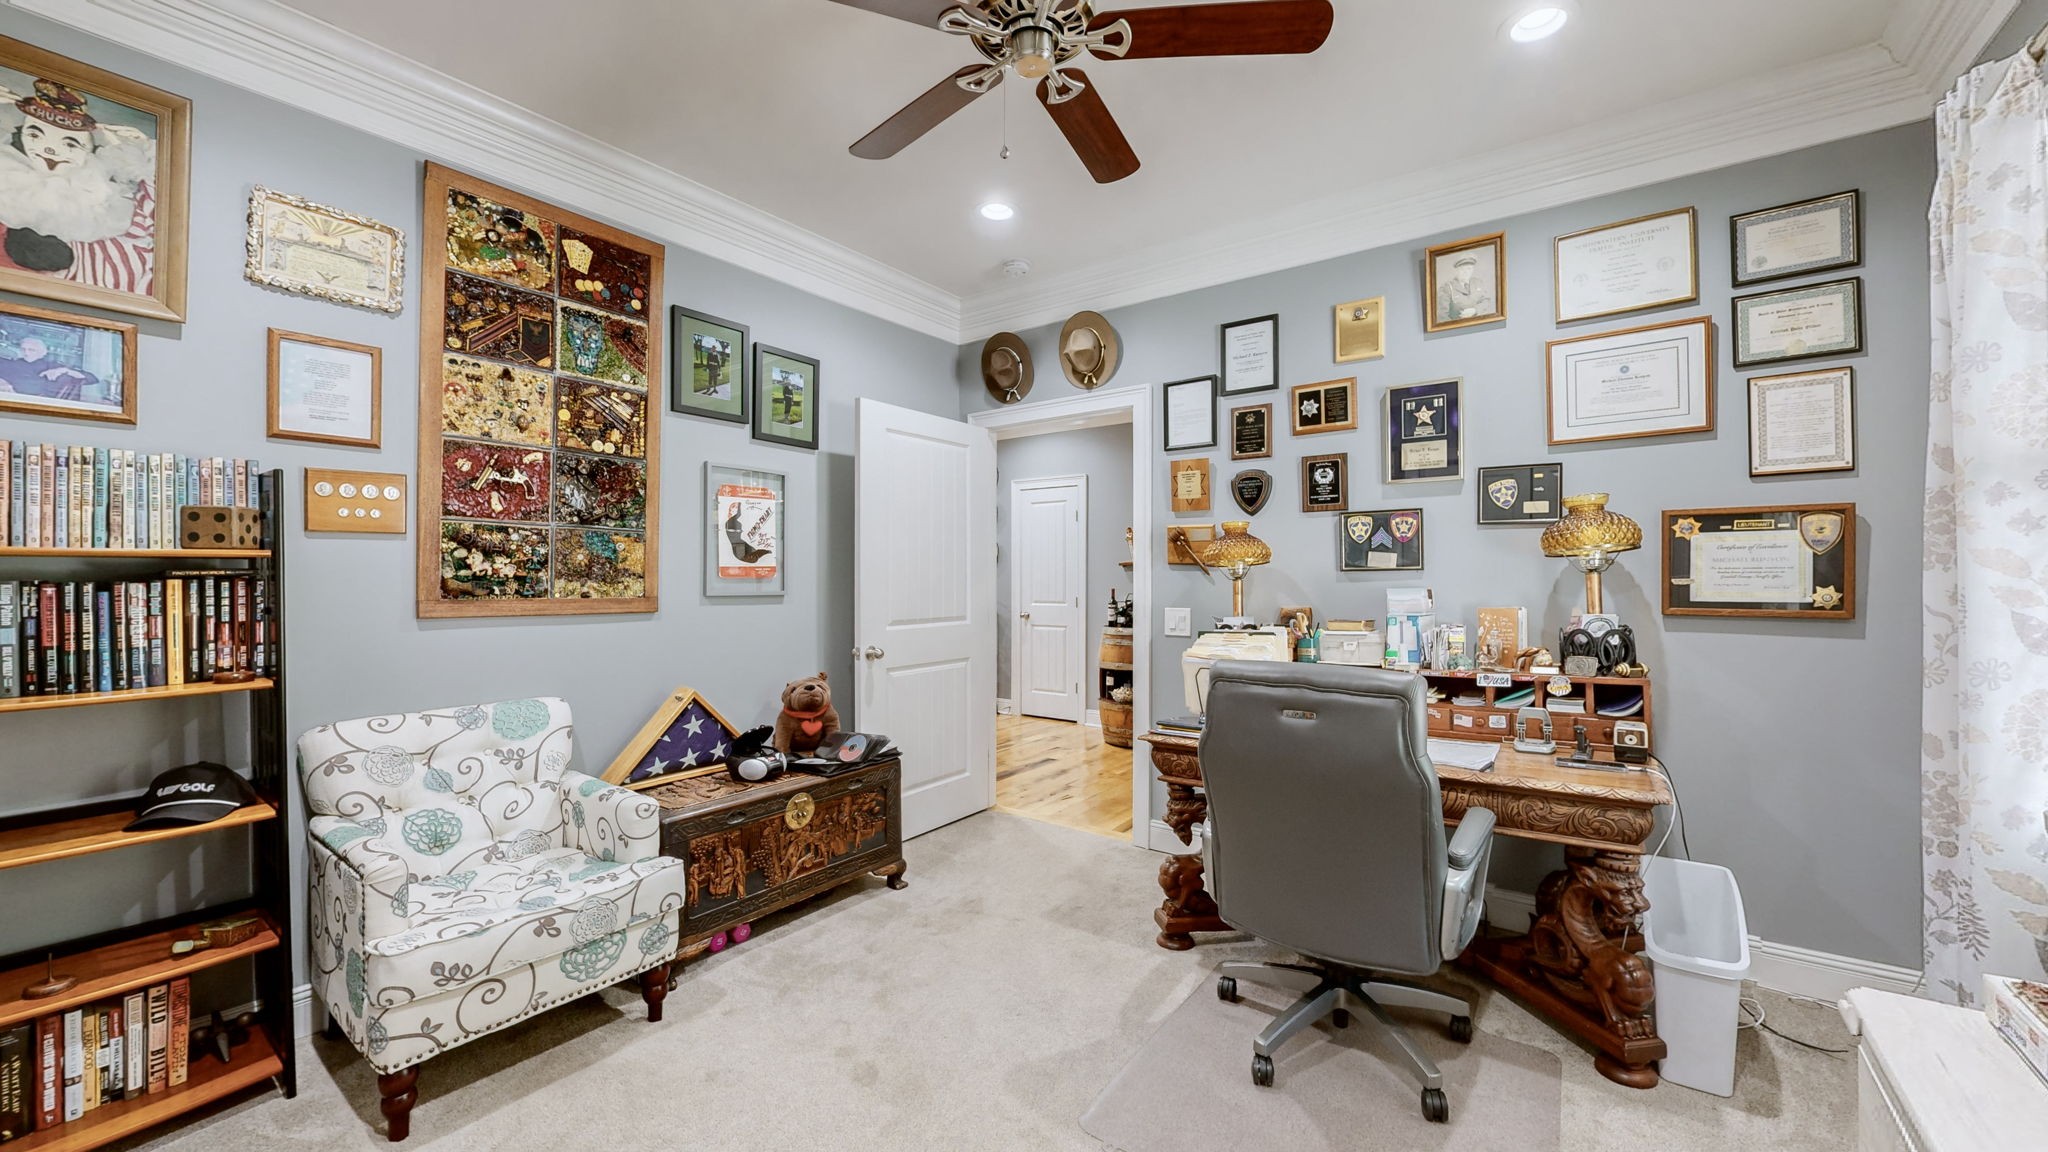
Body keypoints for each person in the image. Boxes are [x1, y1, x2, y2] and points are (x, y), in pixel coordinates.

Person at [0, 335, 98, 400]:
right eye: (23, 349)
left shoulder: (52, 365)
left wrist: (65, 370)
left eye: (31, 350)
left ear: (42, 352)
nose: (26, 353)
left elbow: (92, 379)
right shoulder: (8, 363)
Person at [1436, 253, 1492, 322]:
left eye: (1469, 269)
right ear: (1456, 270)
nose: (1466, 272)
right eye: (1462, 269)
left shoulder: (1478, 283)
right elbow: (1442, 316)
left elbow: (1486, 301)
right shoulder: (1447, 287)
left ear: (1473, 270)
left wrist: (1475, 310)